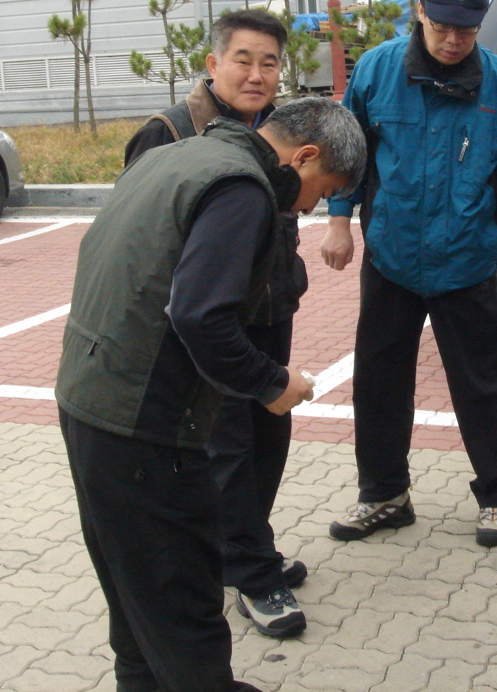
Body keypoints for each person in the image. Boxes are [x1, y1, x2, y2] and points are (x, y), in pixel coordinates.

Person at [56, 98, 366, 692]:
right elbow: (200, 315)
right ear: (305, 157)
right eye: (322, 192)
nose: (307, 208)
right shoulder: (242, 189)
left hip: (88, 396)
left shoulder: (177, 155)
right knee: (181, 597)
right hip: (144, 421)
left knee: (134, 593)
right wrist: (271, 382)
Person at [321, 0, 497, 548]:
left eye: (466, 29)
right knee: (378, 383)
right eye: (442, 25)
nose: (452, 40)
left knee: (480, 385)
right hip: (391, 255)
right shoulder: (377, 70)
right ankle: (384, 496)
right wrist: (339, 221)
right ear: (419, 10)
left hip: (466, 257)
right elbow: (347, 153)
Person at [126, 9, 311, 639]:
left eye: (269, 63)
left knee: (269, 437)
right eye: (243, 60)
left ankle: (248, 547)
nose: (257, 75)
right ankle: (252, 575)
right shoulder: (170, 133)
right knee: (228, 449)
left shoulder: (279, 132)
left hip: (271, 310)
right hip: (209, 324)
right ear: (212, 64)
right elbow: (138, 232)